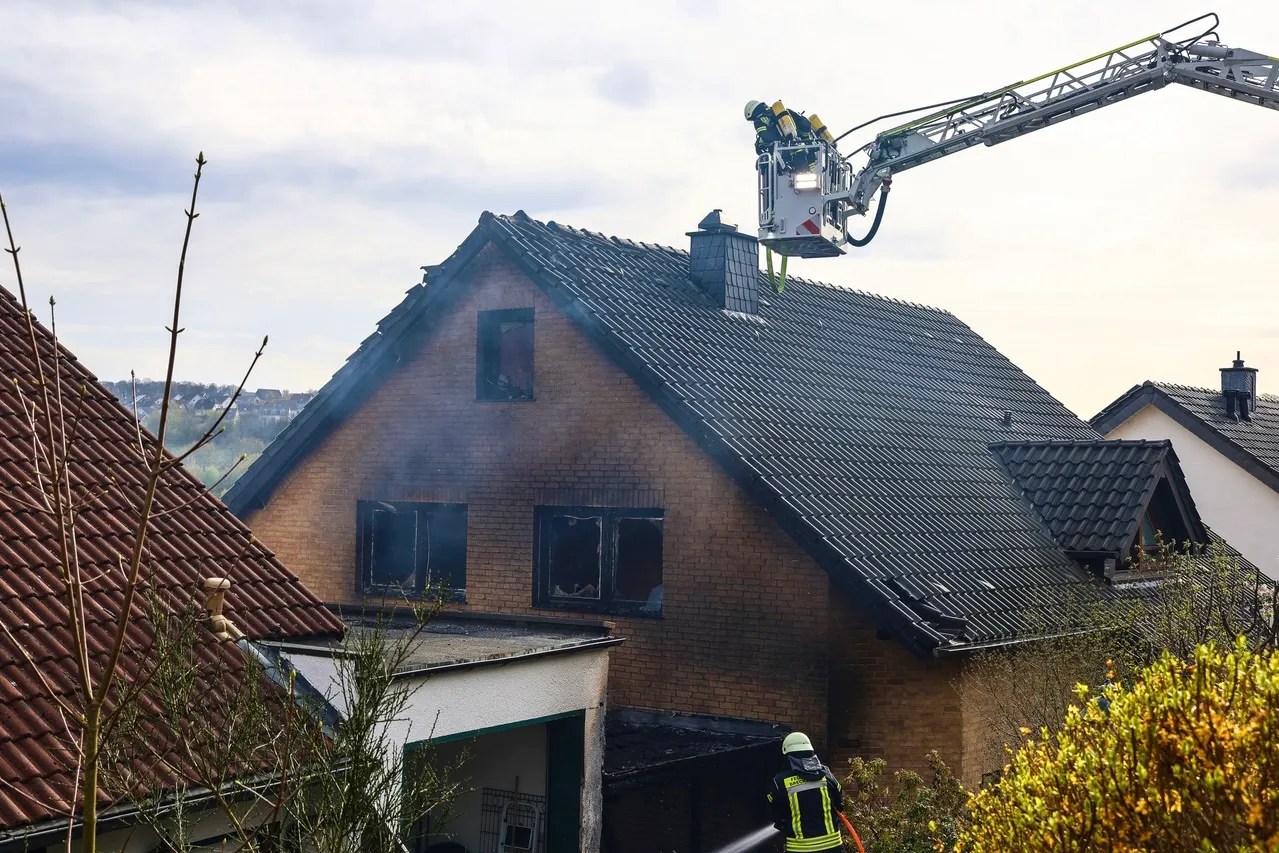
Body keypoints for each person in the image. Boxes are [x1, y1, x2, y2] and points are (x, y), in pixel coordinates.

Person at [767, 732, 844, 852]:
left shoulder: (780, 781)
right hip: (833, 847)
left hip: (800, 848)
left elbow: (775, 813)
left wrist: (783, 824)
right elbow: (839, 802)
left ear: (787, 755)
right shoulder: (826, 774)